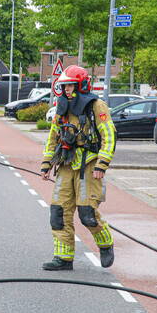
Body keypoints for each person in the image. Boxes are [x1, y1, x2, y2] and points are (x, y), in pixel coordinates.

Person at [40, 65, 116, 271]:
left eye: (70, 86)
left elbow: (109, 136)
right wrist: (46, 164)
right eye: (64, 87)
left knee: (87, 214)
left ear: (80, 85)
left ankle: (106, 244)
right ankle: (63, 258)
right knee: (58, 211)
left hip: (89, 165)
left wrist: (102, 164)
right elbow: (53, 137)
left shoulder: (96, 106)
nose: (66, 91)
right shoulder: (61, 107)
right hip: (66, 163)